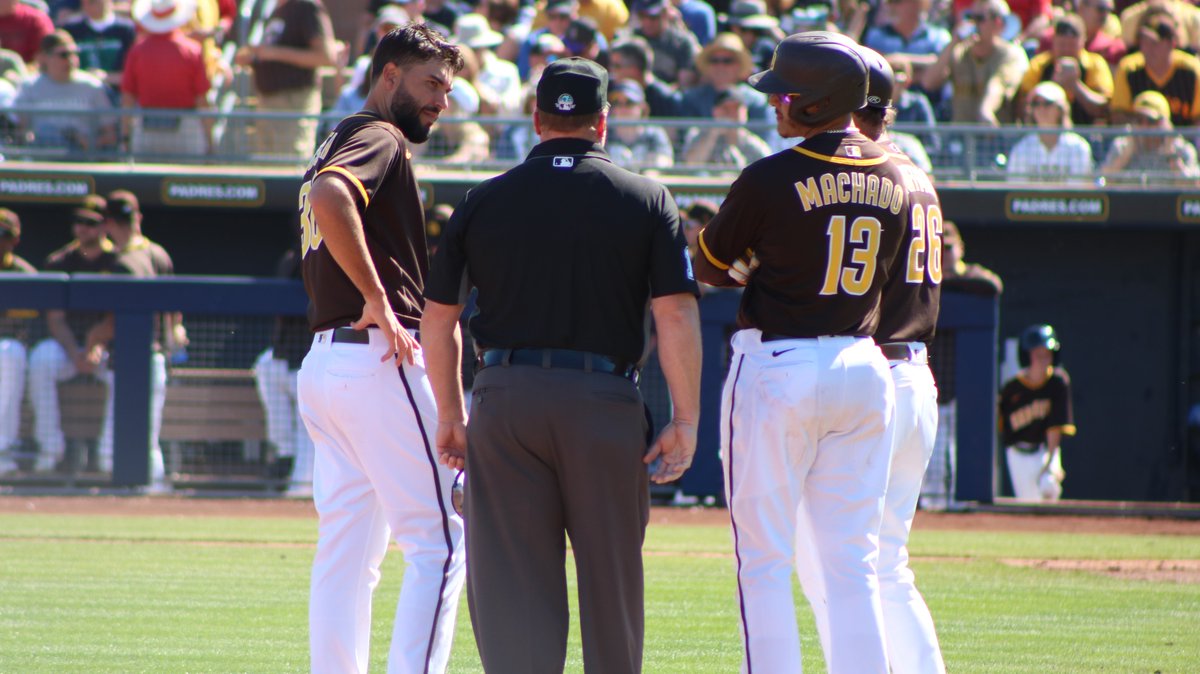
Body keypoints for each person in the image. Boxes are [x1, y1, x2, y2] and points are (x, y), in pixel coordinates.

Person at [421, 56, 702, 673]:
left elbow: (437, 320)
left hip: (505, 397)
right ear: (603, 122)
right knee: (612, 586)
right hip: (603, 401)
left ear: (536, 119)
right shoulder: (646, 196)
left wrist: (450, 412)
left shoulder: (482, 198)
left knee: (514, 593)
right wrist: (685, 420)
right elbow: (675, 315)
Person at [693, 33, 906, 674]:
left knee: (763, 560)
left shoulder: (769, 176)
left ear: (815, 103)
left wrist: (756, 267)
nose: (773, 104)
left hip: (781, 365)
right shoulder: (896, 174)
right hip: (865, 364)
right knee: (852, 565)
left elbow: (708, 264)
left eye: (784, 94)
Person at [294, 24, 465, 674]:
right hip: (375, 360)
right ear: (388, 74)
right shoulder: (377, 134)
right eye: (431, 83)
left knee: (347, 552)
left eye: (447, 89)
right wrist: (377, 295)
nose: (441, 102)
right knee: (442, 542)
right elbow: (330, 194)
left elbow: (323, 188)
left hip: (327, 365)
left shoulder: (335, 134)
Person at [842, 44, 947, 674]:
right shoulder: (916, 169)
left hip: (876, 373)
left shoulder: (866, 174)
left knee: (846, 563)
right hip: (916, 374)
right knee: (889, 563)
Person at [28, 195, 127, 474]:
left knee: (126, 370)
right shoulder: (59, 260)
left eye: (91, 223)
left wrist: (96, 346)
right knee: (41, 360)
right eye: (79, 222)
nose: (83, 228)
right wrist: (75, 352)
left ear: (104, 226)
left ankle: (110, 457)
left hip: (106, 347)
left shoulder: (119, 261)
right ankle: (50, 451)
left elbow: (115, 316)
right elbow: (55, 319)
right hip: (69, 346)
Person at [924, 220, 1002, 511]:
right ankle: (932, 514)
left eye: (948, 247)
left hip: (961, 390)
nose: (943, 253)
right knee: (930, 464)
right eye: (938, 247)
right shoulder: (924, 278)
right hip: (932, 385)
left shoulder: (971, 276)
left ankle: (963, 515)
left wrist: (948, 280)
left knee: (958, 459)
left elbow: (993, 285)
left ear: (960, 248)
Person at [102, 190, 178, 487]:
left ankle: (140, 498)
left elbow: (111, 323)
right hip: (149, 357)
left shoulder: (126, 260)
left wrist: (92, 342)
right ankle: (149, 493)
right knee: (145, 436)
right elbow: (175, 312)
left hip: (133, 358)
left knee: (122, 441)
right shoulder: (156, 253)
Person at [234, 0, 337, 158]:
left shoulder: (306, 6)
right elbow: (269, 52)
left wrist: (273, 53)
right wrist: (254, 57)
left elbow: (326, 57)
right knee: (266, 168)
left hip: (293, 102)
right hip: (266, 102)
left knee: (289, 164)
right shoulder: (273, 9)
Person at [253, 248, 314, 497]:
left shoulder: (331, 259)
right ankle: (284, 452)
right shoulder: (289, 260)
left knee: (308, 428)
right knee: (264, 364)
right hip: (284, 357)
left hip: (311, 359)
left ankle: (301, 486)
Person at [121, 0, 212, 158]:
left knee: (144, 180)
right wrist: (209, 139)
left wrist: (125, 136)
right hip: (186, 129)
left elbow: (128, 97)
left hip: (147, 127)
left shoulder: (137, 51)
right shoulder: (191, 50)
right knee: (186, 181)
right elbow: (201, 99)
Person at [1000, 323, 1075, 501]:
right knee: (1028, 503)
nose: (1043, 359)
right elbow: (1004, 430)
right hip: (1018, 454)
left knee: (1049, 489)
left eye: (1047, 354)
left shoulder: (1057, 382)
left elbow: (1054, 427)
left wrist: (1051, 463)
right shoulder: (1012, 388)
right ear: (1027, 355)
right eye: (1037, 354)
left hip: (1044, 450)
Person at [923, 0, 1029, 125]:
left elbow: (998, 85)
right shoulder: (959, 52)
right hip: (961, 138)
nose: (973, 24)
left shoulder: (1011, 54)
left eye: (979, 19)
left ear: (998, 24)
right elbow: (929, 82)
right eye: (969, 17)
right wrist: (953, 42)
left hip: (996, 138)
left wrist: (986, 110)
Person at [14, 30, 117, 153]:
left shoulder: (93, 87)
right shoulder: (29, 86)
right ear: (45, 57)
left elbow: (111, 135)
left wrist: (89, 143)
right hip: (42, 158)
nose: (71, 60)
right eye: (64, 55)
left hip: (82, 159)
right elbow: (20, 130)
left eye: (74, 54)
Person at [1110, 8, 1200, 128]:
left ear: (1171, 44)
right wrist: (1149, 126)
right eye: (1143, 41)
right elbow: (1118, 115)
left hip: (1180, 143)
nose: (1147, 48)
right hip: (1138, 142)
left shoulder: (1191, 70)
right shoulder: (1129, 68)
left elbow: (1197, 120)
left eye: (1154, 42)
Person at [1019, 14, 1112, 126]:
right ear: (1053, 41)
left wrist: (1075, 86)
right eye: (1062, 45)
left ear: (1083, 41)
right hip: (1045, 133)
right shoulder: (1040, 65)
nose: (1067, 50)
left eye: (1072, 45)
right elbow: (1022, 108)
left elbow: (1104, 110)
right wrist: (1051, 87)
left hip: (1087, 134)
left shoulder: (1095, 64)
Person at [0, 208, 36, 473]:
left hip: (10, 351)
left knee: (8, 353)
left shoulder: (24, 275)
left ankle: (3, 449)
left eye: (4, 235)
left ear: (15, 240)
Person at [1101, 89, 1200, 179]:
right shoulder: (1121, 146)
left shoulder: (1182, 150)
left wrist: (1171, 154)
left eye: (1151, 121)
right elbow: (1103, 183)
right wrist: (1126, 154)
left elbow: (1191, 189)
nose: (1144, 126)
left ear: (1165, 124)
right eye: (1139, 120)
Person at [1007, 80, 1094, 181]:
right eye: (1036, 104)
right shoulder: (1021, 149)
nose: (1041, 109)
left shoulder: (1078, 147)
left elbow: (1079, 192)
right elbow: (1016, 191)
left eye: (1047, 103)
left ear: (1060, 109)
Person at [62, 0, 137, 96]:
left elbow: (136, 74)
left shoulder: (126, 30)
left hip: (117, 94)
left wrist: (107, 77)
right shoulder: (71, 30)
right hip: (80, 93)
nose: (88, 4)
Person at [681, 87, 771, 167]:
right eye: (725, 109)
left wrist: (736, 137)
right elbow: (690, 163)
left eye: (735, 109)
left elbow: (768, 167)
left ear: (745, 113)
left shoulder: (752, 142)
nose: (731, 114)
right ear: (715, 111)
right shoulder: (697, 133)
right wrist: (712, 134)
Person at [606, 78, 675, 169]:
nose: (622, 108)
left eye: (629, 103)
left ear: (643, 108)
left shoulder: (654, 133)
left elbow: (665, 161)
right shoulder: (605, 134)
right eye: (617, 103)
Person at [609, 36, 681, 117]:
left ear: (634, 69)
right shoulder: (608, 89)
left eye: (616, 66)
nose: (611, 71)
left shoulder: (666, 100)